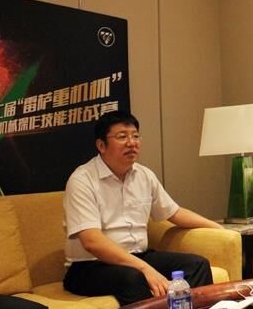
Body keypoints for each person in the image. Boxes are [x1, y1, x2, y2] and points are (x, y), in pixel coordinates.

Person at [63, 110, 222, 305]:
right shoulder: (82, 180)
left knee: (197, 265)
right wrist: (145, 269)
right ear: (101, 145)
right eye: (122, 137)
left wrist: (218, 228)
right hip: (89, 267)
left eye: (135, 136)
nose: (131, 143)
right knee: (134, 278)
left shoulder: (144, 175)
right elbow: (92, 241)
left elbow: (174, 212)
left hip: (138, 256)